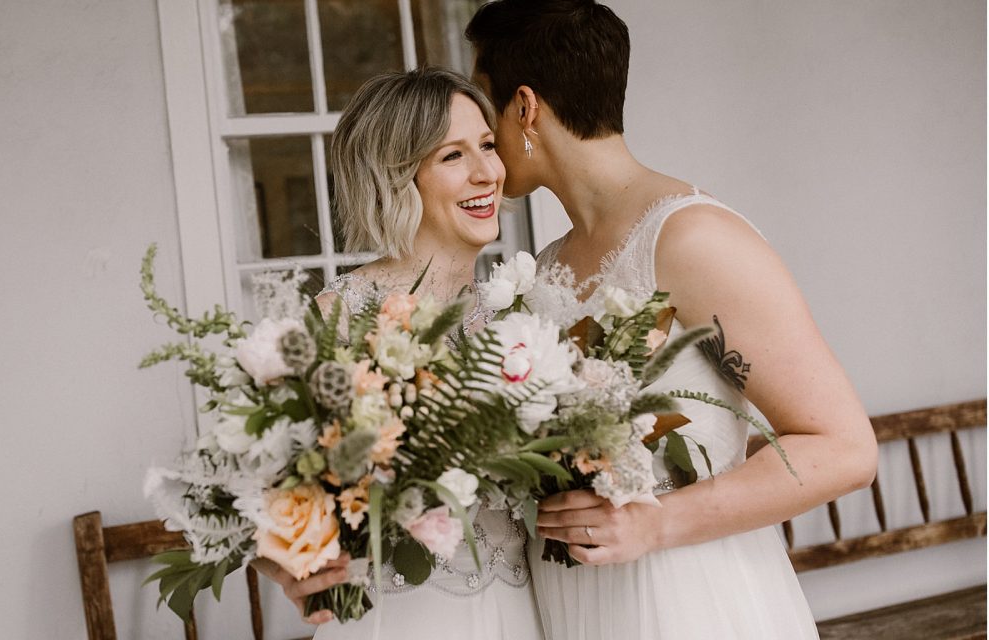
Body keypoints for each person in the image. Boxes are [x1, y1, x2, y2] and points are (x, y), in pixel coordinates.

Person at [463, 2, 879, 638]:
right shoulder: (547, 265)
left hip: (686, 598)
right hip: (574, 603)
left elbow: (843, 448)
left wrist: (656, 522)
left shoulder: (693, 241)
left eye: (486, 110)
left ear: (525, 107)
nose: (488, 144)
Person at [249, 67, 545, 640]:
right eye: (452, 156)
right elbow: (258, 500)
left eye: (487, 145)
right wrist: (291, 569)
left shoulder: (521, 315)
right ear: (396, 177)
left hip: (520, 613)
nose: (487, 173)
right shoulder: (338, 316)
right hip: (399, 620)